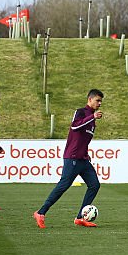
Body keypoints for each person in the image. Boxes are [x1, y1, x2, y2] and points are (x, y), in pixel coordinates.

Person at [33, 89, 104, 228]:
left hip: (83, 159)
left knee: (94, 185)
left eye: (101, 101)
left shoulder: (92, 119)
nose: (100, 103)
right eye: (97, 100)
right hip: (72, 158)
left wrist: (85, 152)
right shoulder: (81, 112)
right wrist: (92, 117)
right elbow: (74, 126)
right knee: (64, 185)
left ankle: (80, 217)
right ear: (89, 100)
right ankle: (41, 212)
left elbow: (82, 139)